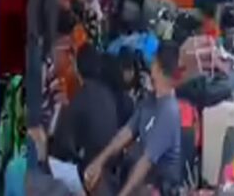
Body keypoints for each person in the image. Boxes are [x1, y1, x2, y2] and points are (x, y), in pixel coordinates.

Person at [84, 43, 182, 196]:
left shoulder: (169, 111)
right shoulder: (150, 100)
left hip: (157, 186)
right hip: (138, 177)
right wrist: (99, 162)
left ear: (157, 68)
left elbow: (145, 163)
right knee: (94, 179)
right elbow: (126, 133)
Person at [52, 44, 119, 185]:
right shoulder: (107, 94)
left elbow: (62, 143)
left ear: (77, 67)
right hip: (110, 167)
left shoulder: (80, 95)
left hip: (89, 172)